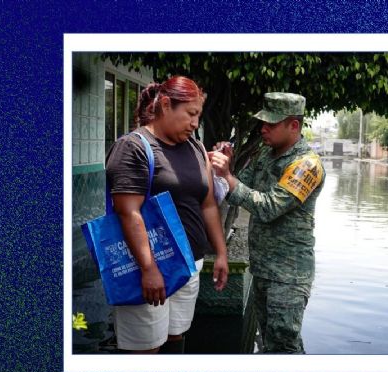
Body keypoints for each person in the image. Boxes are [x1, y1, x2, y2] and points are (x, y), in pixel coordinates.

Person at [105, 76, 229, 354]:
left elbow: (207, 204)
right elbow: (128, 212)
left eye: (198, 115)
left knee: (176, 339)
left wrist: (220, 253)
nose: (196, 124)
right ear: (165, 104)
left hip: (189, 265)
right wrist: (149, 269)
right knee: (146, 352)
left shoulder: (196, 147)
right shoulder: (134, 147)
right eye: (191, 114)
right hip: (147, 270)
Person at [209, 92, 325, 354]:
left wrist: (228, 176)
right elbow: (241, 185)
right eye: (263, 122)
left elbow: (270, 206)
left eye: (271, 124)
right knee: (270, 341)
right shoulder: (266, 154)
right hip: (262, 268)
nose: (263, 129)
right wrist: (226, 164)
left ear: (293, 126)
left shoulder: (306, 164)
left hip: (289, 275)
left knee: (284, 344)